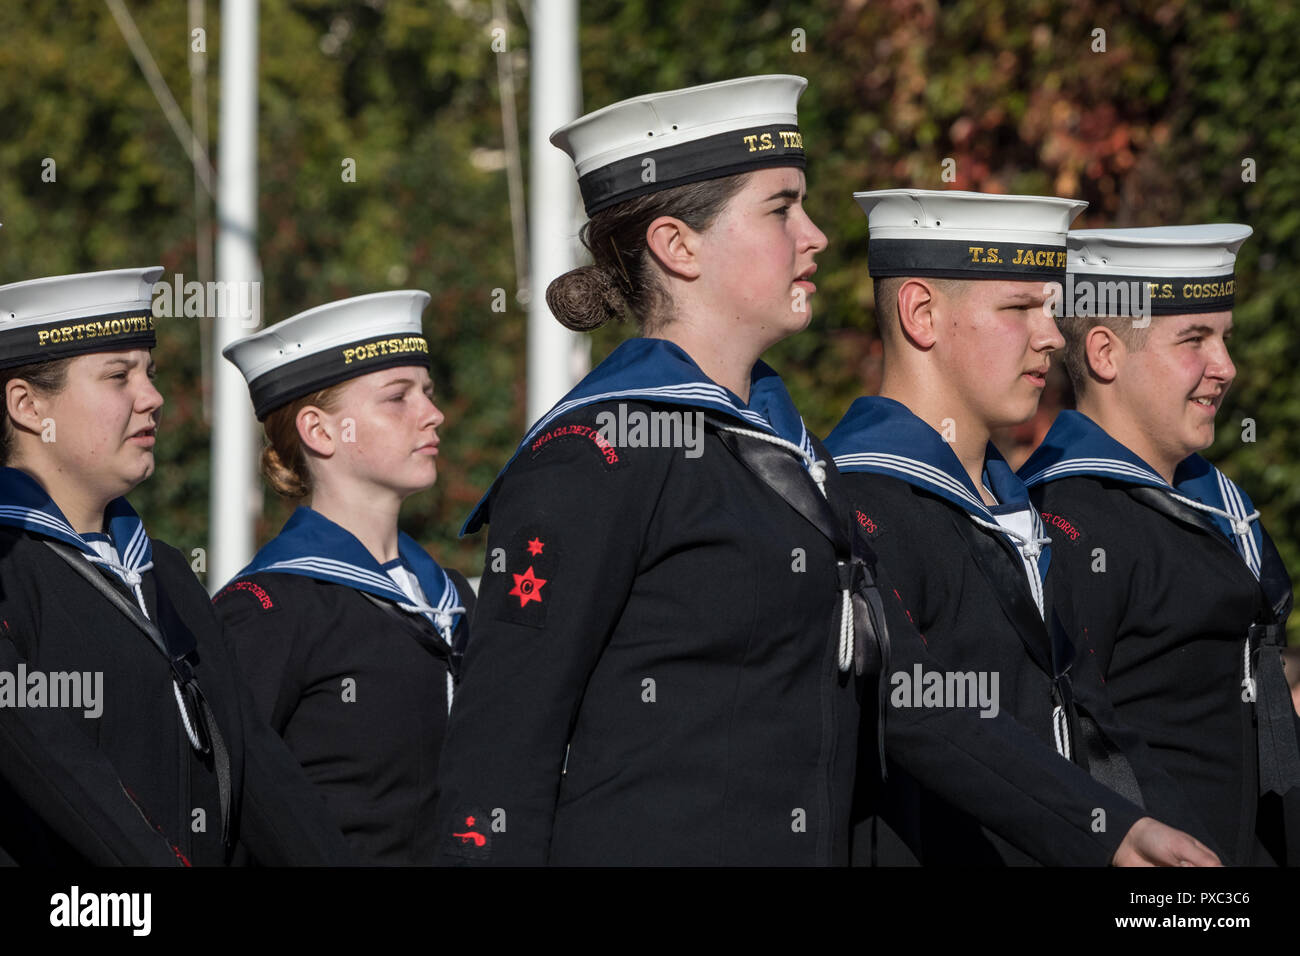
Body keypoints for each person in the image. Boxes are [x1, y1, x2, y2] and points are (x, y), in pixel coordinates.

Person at [433, 75, 1216, 866]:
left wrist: (1111, 830)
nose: (816, 236)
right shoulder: (594, 453)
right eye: (781, 209)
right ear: (678, 246)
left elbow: (913, 697)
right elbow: (501, 748)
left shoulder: (789, 457)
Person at [824, 190, 1219, 865]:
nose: (1052, 336)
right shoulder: (862, 503)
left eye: (1052, 308)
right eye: (1018, 308)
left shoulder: (1013, 510)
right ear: (921, 313)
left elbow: (1090, 719)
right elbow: (919, 712)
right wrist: (1106, 831)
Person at [0, 267, 352, 865]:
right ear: (29, 405)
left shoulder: (161, 570)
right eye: (118, 377)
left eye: (150, 373)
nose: (152, 397)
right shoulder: (11, 569)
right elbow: (52, 765)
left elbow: (262, 776)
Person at [1021, 224, 1299, 865]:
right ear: (1105, 353)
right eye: (1194, 339)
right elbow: (1075, 742)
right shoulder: (1067, 521)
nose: (1225, 367)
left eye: (1224, 338)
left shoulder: (1212, 503)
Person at [215, 291, 473, 865]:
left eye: (427, 392)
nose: (433, 414)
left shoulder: (451, 600)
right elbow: (225, 808)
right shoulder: (267, 608)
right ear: (320, 431)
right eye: (397, 398)